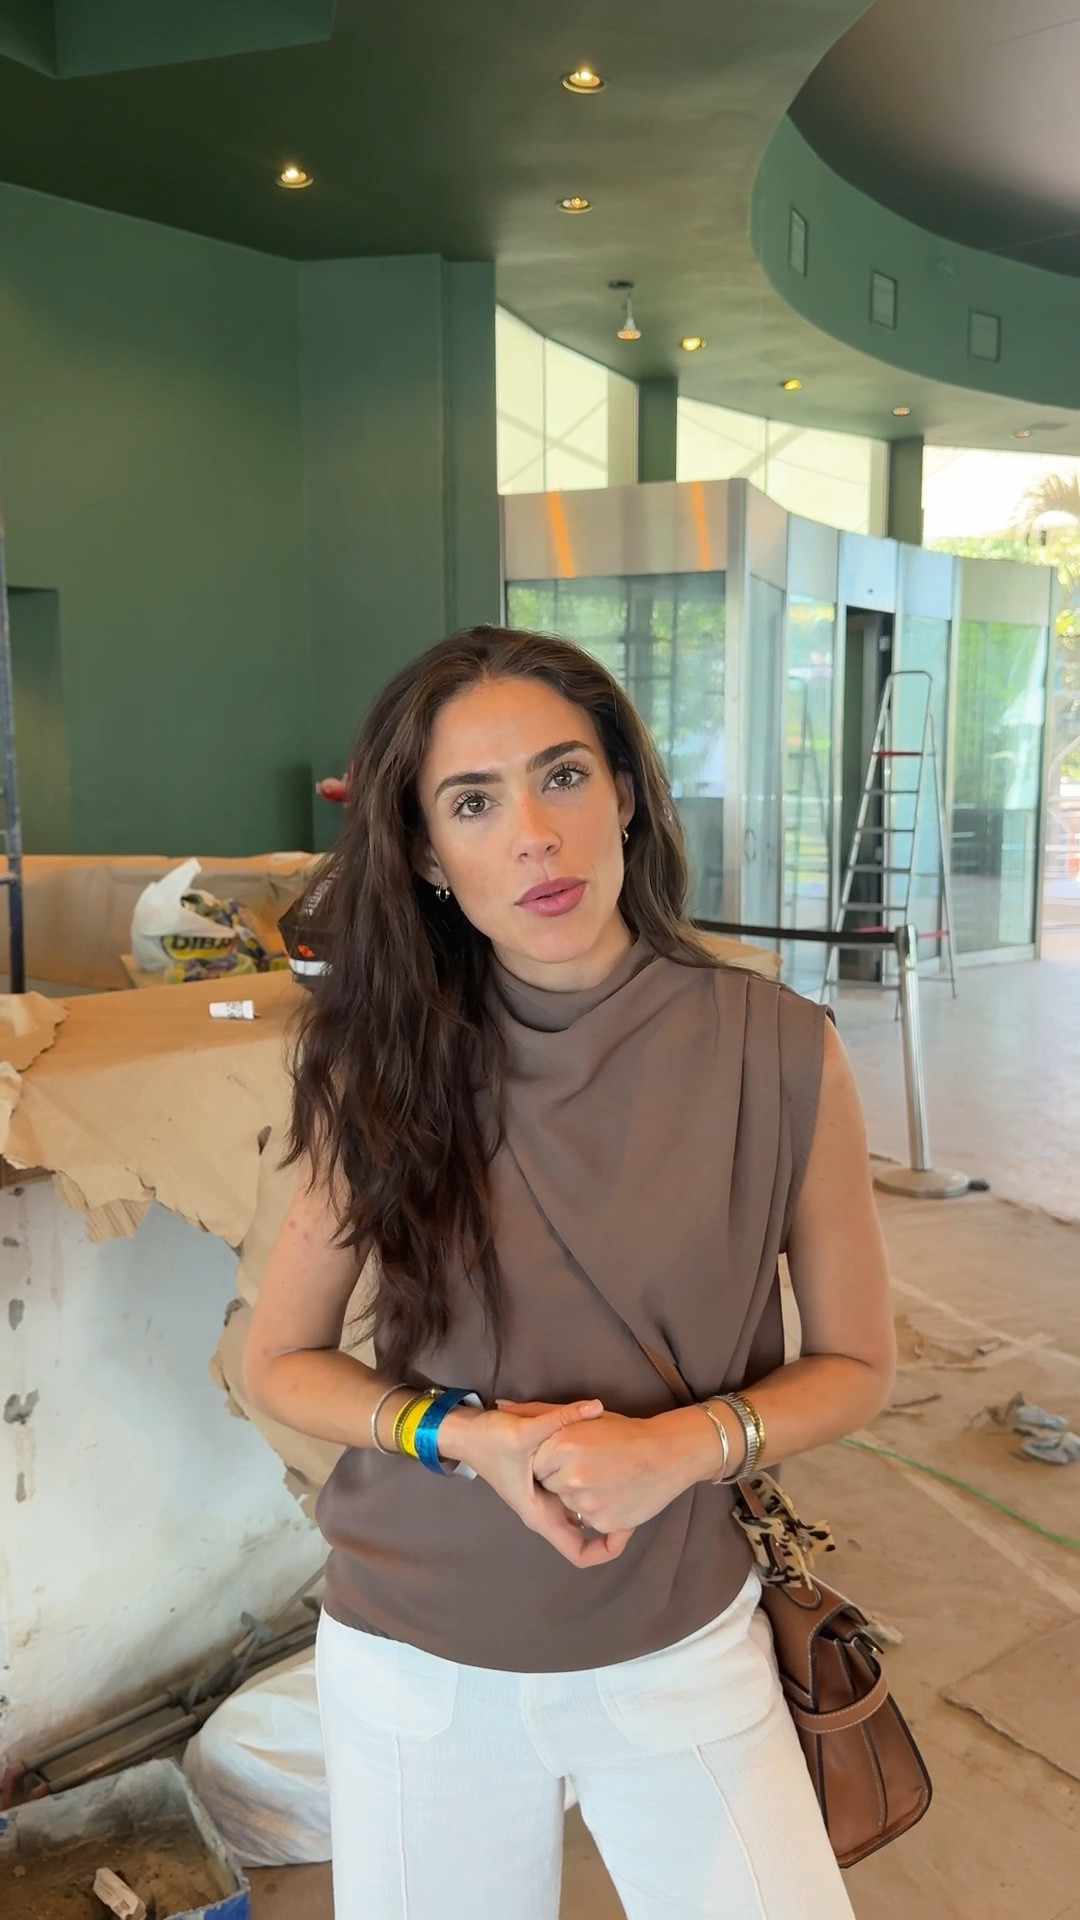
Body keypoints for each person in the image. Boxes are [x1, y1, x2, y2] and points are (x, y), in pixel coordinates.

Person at [244, 625, 894, 1920]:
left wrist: (684, 1448)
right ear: (426, 856)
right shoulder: (383, 1066)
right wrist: (460, 1435)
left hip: (679, 1642)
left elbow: (859, 1363)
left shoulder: (781, 1051)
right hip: (415, 1662)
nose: (535, 836)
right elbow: (281, 1362)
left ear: (627, 795)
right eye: (474, 803)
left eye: (563, 776)